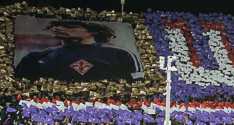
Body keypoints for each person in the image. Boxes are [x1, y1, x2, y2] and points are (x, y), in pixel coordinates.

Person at [14, 20, 144, 82]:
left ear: (92, 31)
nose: (60, 28)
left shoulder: (120, 54)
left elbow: (137, 84)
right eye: (57, 26)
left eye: (71, 27)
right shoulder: (36, 57)